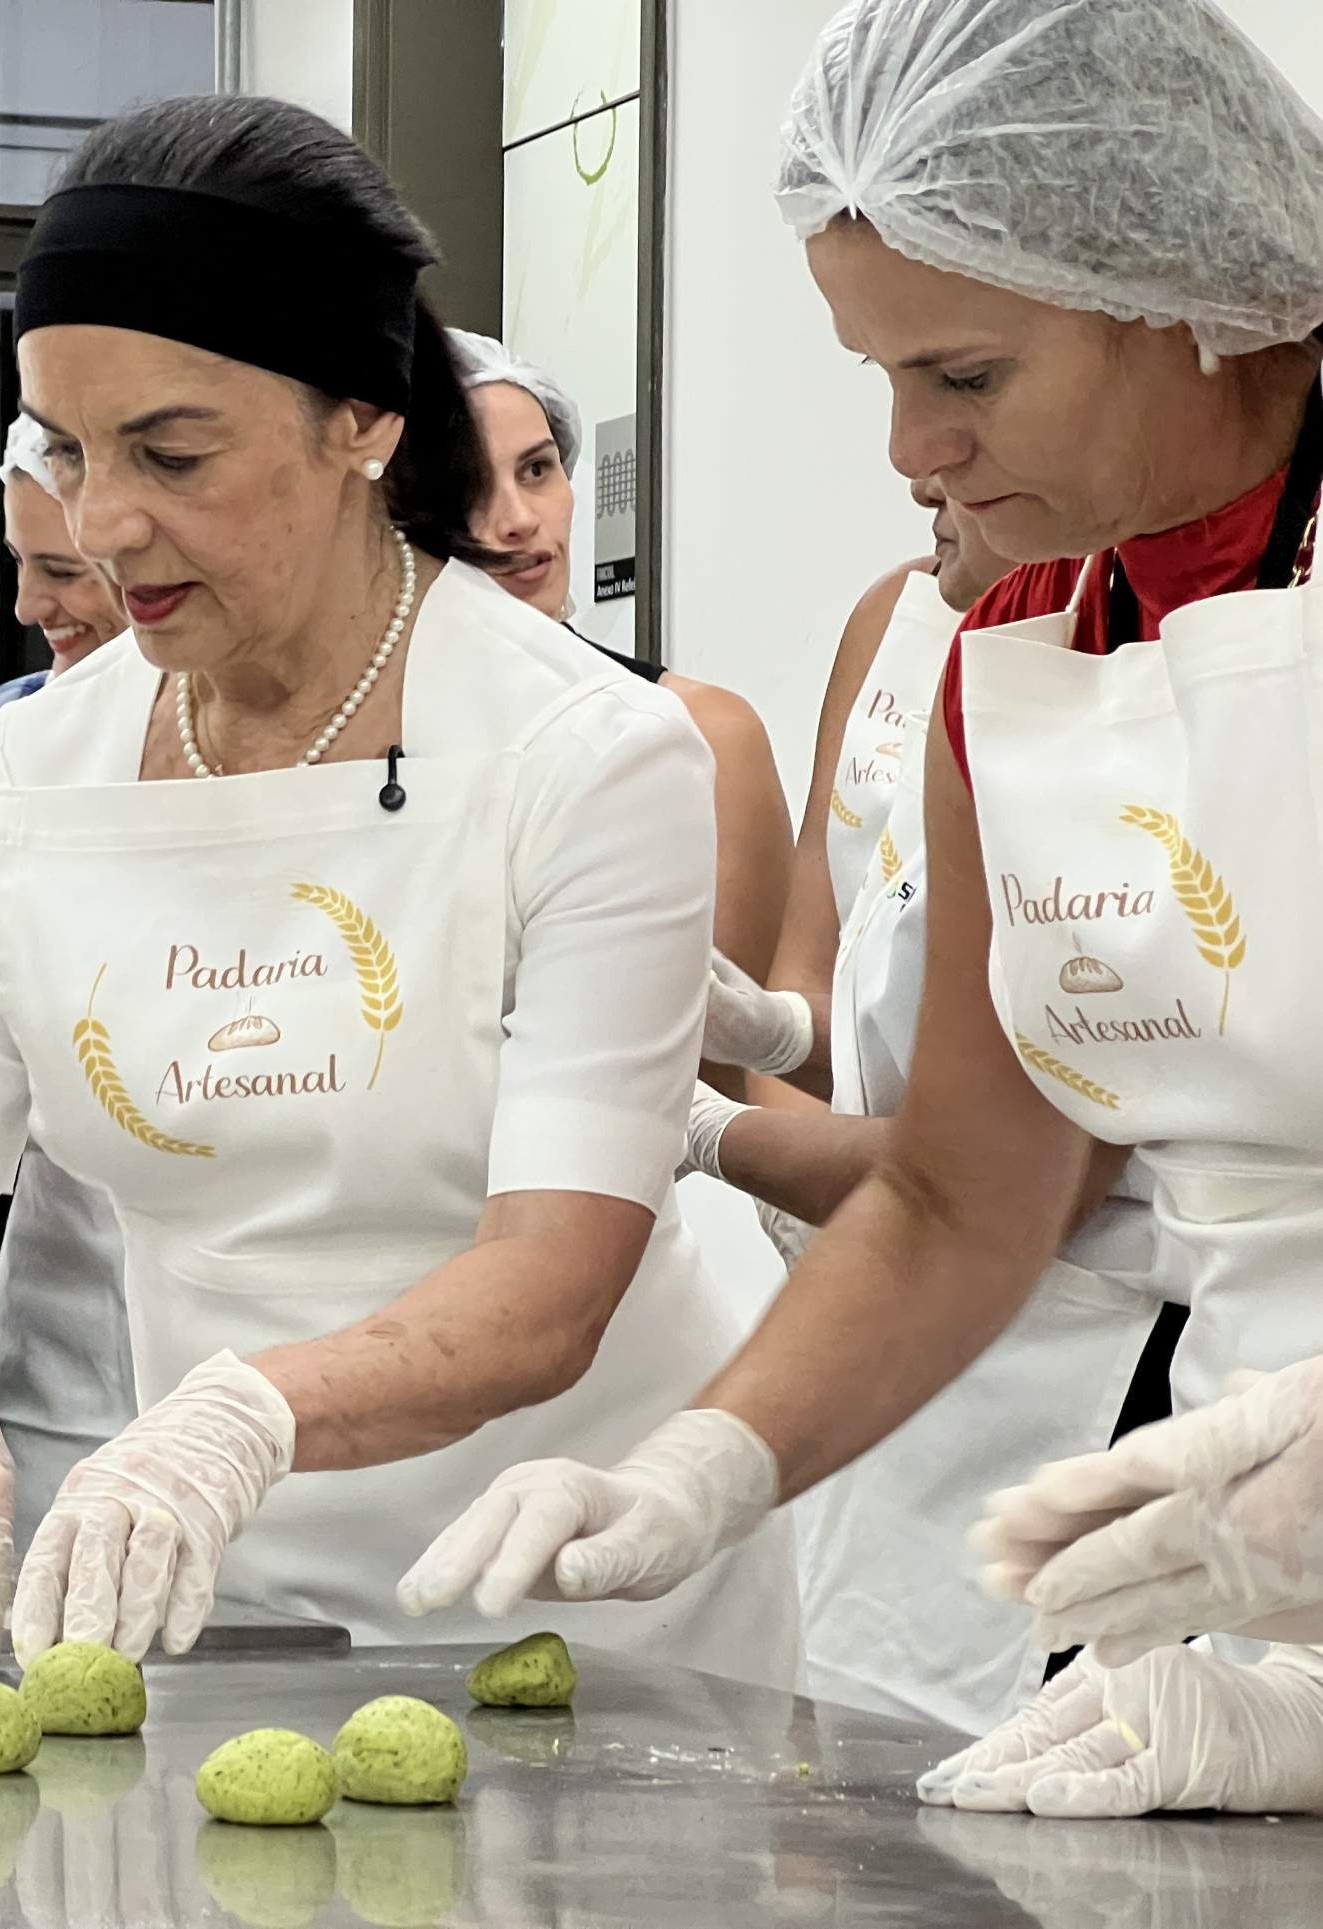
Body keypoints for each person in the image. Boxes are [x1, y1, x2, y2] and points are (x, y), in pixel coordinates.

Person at [401, 0, 1323, 1820]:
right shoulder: (1021, 645)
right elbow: (968, 1188)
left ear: (1193, 291)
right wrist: (706, 1461)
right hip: (1234, 1569)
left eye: (963, 376)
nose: (910, 450)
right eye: (879, 379)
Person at [0, 93, 799, 1685]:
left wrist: (237, 1413)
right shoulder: (23, 782)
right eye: (65, 449)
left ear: (366, 422)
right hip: (206, 1602)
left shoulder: (588, 757)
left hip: (576, 1596)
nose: (101, 524)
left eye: (171, 453)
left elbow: (549, 1285)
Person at [678, 483, 1167, 1735]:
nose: (911, 462)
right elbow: (843, 941)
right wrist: (787, 1044)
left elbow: (1030, 1166)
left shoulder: (1140, 665)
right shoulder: (921, 623)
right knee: (849, 1735)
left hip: (1086, 1334)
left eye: (963, 378)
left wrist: (722, 1137)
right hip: (895, 1290)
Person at [451, 330, 796, 1027]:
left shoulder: (706, 737)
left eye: (538, 470)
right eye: (467, 485)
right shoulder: (363, 751)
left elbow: (732, 1068)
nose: (518, 520)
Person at [0, 413, 142, 1553]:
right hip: (64, 1387)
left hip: (334, 1425)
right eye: (20, 566)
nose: (31, 607)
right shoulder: (1, 749)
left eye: (62, 570)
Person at [0, 412, 128, 720]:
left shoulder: (232, 754)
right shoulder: (1, 726)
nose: (25, 609)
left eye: (62, 572)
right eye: (16, 560)